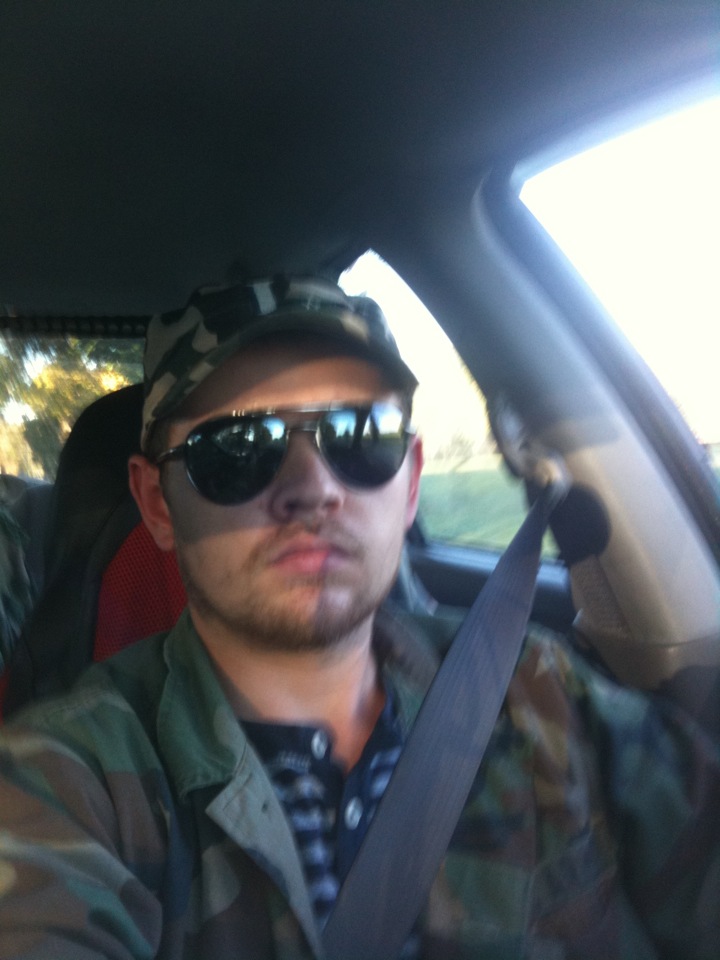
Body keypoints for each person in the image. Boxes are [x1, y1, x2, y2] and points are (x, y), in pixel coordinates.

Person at [0, 275, 718, 960]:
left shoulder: (540, 690)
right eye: (237, 447)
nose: (314, 488)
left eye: (359, 434)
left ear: (411, 482)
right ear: (157, 503)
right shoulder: (66, 782)